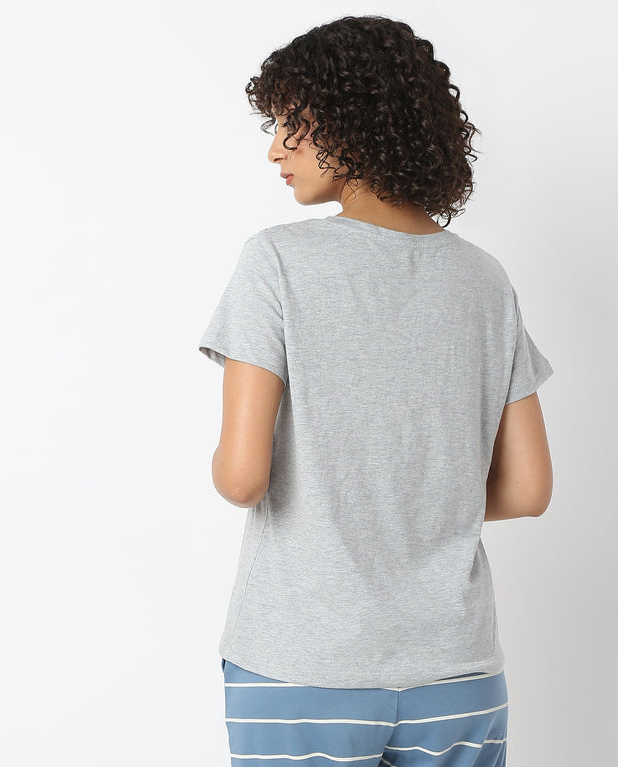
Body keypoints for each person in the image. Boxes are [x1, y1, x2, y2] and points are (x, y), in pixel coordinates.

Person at [197, 14, 554, 767]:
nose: (274, 149)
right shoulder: (484, 280)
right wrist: (418, 502)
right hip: (459, 673)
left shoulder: (276, 262)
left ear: (353, 121)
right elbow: (527, 489)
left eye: (292, 125)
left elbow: (242, 476)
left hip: (303, 663)